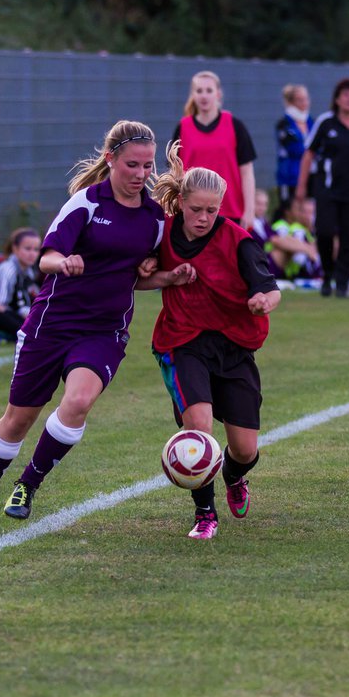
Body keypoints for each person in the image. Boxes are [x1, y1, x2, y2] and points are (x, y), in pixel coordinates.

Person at [0, 120, 193, 534]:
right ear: (111, 159)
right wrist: (63, 262)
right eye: (132, 165)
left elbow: (132, 275)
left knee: (79, 402)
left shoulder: (154, 219)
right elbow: (46, 258)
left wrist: (166, 278)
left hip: (104, 332)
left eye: (147, 166)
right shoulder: (86, 203)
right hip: (52, 325)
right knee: (17, 421)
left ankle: (27, 486)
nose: (140, 175)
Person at [150, 144, 280, 539]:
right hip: (183, 342)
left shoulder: (239, 241)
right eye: (196, 209)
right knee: (199, 429)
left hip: (234, 347)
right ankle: (205, 514)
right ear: (181, 203)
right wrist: (161, 275)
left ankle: (234, 476)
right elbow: (138, 278)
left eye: (212, 210)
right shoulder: (161, 232)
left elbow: (272, 289)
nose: (204, 217)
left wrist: (262, 302)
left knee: (244, 450)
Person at [296, 77, 349, 298]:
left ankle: (342, 283)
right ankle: (327, 274)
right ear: (337, 99)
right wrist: (301, 187)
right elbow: (308, 154)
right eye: (346, 95)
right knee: (324, 232)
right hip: (327, 188)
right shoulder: (326, 122)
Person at [171, 70, 257, 229]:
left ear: (218, 94)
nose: (204, 95)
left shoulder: (234, 125)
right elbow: (175, 173)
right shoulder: (183, 127)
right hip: (193, 212)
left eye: (209, 90)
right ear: (193, 95)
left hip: (230, 211)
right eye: (199, 91)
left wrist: (250, 210)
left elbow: (247, 172)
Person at [0, 227, 43, 340]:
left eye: (36, 249)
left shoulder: (29, 272)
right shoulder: (7, 269)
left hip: (13, 317)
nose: (32, 254)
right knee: (35, 332)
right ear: (15, 248)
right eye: (28, 249)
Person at [274, 84, 314, 210]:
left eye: (306, 99)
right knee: (290, 212)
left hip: (310, 175)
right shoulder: (284, 124)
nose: (304, 102)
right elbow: (295, 149)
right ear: (291, 102)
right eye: (300, 99)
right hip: (290, 175)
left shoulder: (311, 122)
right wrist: (311, 152)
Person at [267, 195, 322, 281]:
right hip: (274, 264)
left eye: (312, 213)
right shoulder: (285, 227)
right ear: (288, 212)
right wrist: (308, 249)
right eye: (299, 210)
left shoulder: (307, 230)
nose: (308, 216)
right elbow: (278, 241)